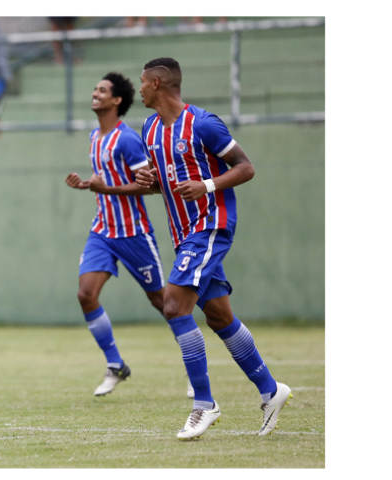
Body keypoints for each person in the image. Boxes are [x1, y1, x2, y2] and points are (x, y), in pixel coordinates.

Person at [134, 57, 292, 439]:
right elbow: (167, 182)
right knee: (219, 317)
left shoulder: (203, 123)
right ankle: (271, 390)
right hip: (184, 234)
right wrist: (148, 180)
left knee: (173, 305)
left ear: (156, 83)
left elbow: (245, 167)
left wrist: (207, 186)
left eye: (142, 82)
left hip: (210, 226)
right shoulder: (150, 128)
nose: (138, 89)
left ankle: (204, 403)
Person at [65, 73, 166, 397]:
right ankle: (115, 365)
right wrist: (88, 185)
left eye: (103, 90)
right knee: (85, 294)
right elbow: (103, 182)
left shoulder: (127, 139)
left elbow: (151, 186)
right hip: (102, 231)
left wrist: (105, 187)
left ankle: (197, 372)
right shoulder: (96, 136)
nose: (95, 93)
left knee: (165, 303)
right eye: (95, 88)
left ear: (117, 100)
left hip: (134, 233)